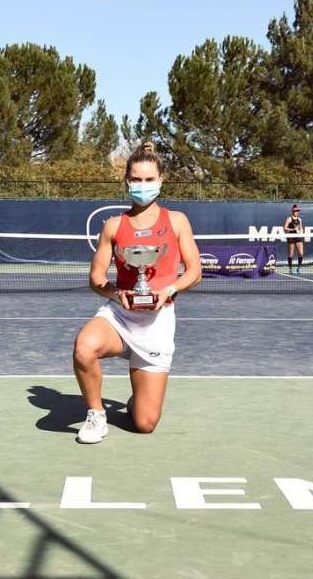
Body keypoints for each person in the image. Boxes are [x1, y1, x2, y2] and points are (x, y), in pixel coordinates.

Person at [72, 141, 202, 445]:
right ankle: (96, 415)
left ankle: (138, 399)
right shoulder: (114, 225)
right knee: (84, 347)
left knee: (145, 423)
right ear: (126, 181)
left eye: (149, 179)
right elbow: (96, 278)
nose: (142, 185)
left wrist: (168, 290)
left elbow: (195, 271)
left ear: (160, 180)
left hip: (157, 321)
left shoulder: (177, 221)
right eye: (136, 179)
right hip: (119, 316)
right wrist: (118, 295)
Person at [283, 204, 305, 274]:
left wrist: (300, 230)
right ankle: (290, 268)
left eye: (297, 211)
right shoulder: (289, 219)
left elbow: (301, 227)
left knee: (301, 253)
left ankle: (299, 267)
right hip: (291, 237)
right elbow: (285, 228)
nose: (296, 212)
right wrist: (293, 229)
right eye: (295, 211)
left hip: (298, 237)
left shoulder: (299, 219)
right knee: (291, 254)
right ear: (292, 211)